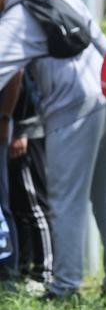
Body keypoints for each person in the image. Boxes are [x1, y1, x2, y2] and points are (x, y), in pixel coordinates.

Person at [0, 0, 106, 300]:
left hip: (71, 111)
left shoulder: (17, 17)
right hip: (104, 97)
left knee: (65, 200)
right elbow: (103, 45)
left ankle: (65, 286)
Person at [8, 67, 52, 292]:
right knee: (18, 205)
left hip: (25, 130)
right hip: (12, 129)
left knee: (34, 203)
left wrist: (21, 131)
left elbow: (21, 81)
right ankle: (24, 267)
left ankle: (45, 271)